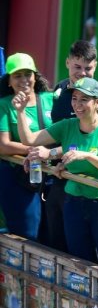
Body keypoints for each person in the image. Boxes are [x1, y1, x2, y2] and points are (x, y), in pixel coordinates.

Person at [14, 77, 98, 268]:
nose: (77, 104)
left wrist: (86, 156)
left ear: (97, 102)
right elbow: (29, 139)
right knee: (80, 260)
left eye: (84, 99)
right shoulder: (67, 125)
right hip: (73, 201)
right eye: (75, 98)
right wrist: (21, 111)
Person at [42, 40, 98, 253]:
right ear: (67, 63)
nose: (82, 73)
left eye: (88, 68)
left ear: (96, 66)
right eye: (77, 67)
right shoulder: (60, 89)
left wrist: (52, 153)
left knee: (79, 253)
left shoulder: (97, 97)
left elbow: (91, 143)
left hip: (83, 185)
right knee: (55, 244)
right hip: (57, 177)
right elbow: (56, 134)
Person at [0, 53, 53, 240]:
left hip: (51, 177)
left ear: (35, 76)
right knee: (28, 236)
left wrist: (48, 154)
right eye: (17, 75)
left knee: (51, 236)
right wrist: (32, 152)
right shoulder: (4, 105)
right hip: (19, 179)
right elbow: (3, 145)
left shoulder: (50, 98)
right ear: (9, 81)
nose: (24, 80)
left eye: (27, 74)